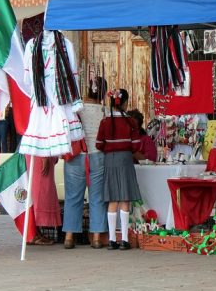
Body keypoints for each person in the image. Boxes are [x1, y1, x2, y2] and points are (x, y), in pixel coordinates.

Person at [96, 89, 142, 250]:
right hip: (125, 159)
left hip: (109, 160)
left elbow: (99, 144)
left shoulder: (104, 122)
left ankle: (111, 239)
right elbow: (137, 145)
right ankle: (124, 239)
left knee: (112, 199)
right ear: (125, 103)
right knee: (125, 198)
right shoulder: (130, 122)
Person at [62, 94, 108, 249]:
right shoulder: (105, 110)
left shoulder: (75, 109)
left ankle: (69, 237)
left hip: (76, 156)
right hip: (98, 155)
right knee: (97, 197)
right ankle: (96, 237)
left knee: (73, 197)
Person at [27, 155, 61, 245]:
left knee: (37, 193)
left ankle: (34, 233)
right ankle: (32, 234)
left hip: (40, 153)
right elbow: (39, 139)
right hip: (40, 153)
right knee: (39, 193)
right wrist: (44, 156)